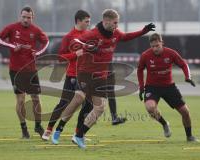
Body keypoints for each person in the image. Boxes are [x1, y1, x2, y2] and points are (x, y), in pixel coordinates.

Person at [58, 9, 155, 148]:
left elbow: (126, 36)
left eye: (117, 23)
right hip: (87, 74)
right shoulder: (93, 33)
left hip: (101, 77)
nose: (116, 25)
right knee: (81, 101)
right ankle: (60, 128)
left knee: (99, 108)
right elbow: (75, 41)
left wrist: (144, 31)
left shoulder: (115, 33)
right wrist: (88, 47)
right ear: (106, 21)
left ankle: (78, 135)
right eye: (115, 23)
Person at [0, 6, 49, 139]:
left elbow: (46, 41)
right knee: (20, 100)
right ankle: (24, 129)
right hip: (16, 70)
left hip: (31, 70)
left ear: (32, 18)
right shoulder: (12, 28)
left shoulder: (36, 30)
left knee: (36, 98)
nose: (26, 19)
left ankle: (38, 126)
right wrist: (12, 46)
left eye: (28, 17)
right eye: (24, 17)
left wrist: (38, 52)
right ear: (20, 16)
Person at [137, 33, 199, 142]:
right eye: (153, 46)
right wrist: (141, 87)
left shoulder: (170, 53)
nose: (155, 48)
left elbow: (183, 64)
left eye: (157, 46)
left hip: (169, 87)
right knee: (150, 107)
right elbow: (140, 70)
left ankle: (189, 136)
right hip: (152, 87)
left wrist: (187, 77)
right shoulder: (145, 55)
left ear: (162, 43)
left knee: (185, 112)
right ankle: (164, 124)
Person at [41, 10, 91, 141]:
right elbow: (60, 58)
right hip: (72, 75)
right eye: (87, 21)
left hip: (86, 76)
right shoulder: (69, 37)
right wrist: (75, 54)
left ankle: (78, 134)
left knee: (86, 105)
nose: (89, 24)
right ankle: (48, 130)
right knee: (63, 103)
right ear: (79, 21)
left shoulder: (89, 35)